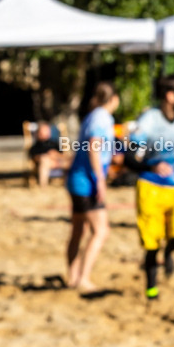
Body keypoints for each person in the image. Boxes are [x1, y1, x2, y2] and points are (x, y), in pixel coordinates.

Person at [129, 76, 174, 300]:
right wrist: (151, 165)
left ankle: (169, 253)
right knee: (151, 244)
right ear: (170, 96)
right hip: (151, 186)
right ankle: (151, 289)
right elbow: (129, 156)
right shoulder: (149, 120)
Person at [65, 82, 119, 292]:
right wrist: (100, 180)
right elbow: (94, 148)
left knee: (79, 230)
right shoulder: (101, 118)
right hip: (86, 182)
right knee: (101, 231)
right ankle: (83, 279)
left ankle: (73, 277)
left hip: (77, 179)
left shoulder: (92, 116)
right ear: (114, 99)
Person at [28, 121, 68, 187]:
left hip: (58, 161)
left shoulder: (54, 144)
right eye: (44, 131)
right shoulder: (36, 146)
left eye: (47, 130)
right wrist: (47, 156)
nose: (46, 133)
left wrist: (55, 154)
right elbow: (34, 157)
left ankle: (69, 183)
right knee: (44, 159)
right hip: (46, 163)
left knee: (71, 160)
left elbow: (63, 155)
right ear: (38, 133)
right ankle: (43, 185)